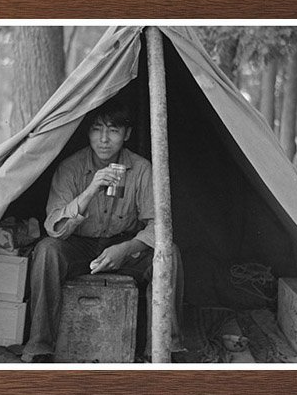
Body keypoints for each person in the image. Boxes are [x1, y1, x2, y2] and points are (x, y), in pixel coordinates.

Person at [21, 101, 184, 362]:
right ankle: (40, 347)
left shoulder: (141, 169)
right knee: (46, 250)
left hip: (124, 246)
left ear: (127, 134)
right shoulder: (71, 167)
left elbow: (159, 225)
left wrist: (126, 249)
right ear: (88, 132)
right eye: (97, 129)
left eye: (113, 130)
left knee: (169, 253)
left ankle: (164, 349)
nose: (104, 139)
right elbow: (54, 228)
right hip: (79, 247)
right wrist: (90, 190)